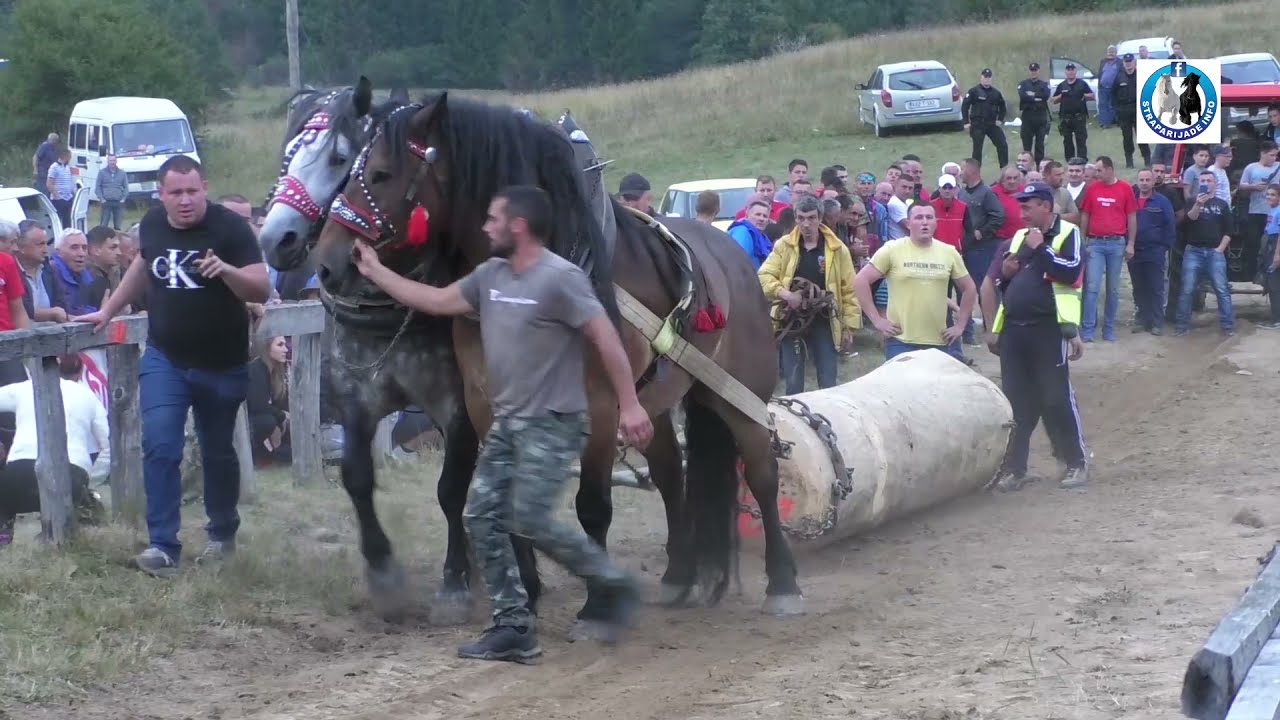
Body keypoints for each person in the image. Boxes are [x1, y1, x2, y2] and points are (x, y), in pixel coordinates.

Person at [350, 184, 651, 663]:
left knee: (527, 517)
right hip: (510, 423)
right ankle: (513, 625)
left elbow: (607, 340)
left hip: (553, 422)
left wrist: (630, 405)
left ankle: (614, 583)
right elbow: (434, 299)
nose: (485, 226)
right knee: (479, 516)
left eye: (493, 218)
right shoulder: (490, 275)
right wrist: (377, 272)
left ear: (519, 226)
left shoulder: (561, 278)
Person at [71, 155, 270, 577]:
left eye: (192, 191)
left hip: (222, 362)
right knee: (161, 445)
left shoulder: (229, 228)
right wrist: (108, 311)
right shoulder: (155, 225)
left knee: (217, 451)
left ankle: (221, 534)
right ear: (160, 194)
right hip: (166, 358)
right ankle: (162, 546)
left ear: (205, 188)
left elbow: (262, 287)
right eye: (175, 193)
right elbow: (143, 263)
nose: (184, 201)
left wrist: (228, 271)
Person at [985, 182, 1088, 492]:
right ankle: (1015, 469)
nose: (1022, 211)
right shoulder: (1017, 238)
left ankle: (1076, 463)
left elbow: (1071, 272)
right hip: (1015, 329)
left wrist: (1041, 246)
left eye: (1027, 205)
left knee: (1056, 398)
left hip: (1048, 328)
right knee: (1016, 402)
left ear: (1046, 205)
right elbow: (998, 281)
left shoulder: (1068, 234)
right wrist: (1006, 272)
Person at [0, 354, 110, 546]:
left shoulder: (25, 388)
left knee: (3, 497)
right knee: (87, 507)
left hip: (18, 474)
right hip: (72, 475)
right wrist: (90, 479)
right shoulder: (88, 396)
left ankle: (3, 537)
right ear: (79, 373)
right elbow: (108, 446)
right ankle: (67, 540)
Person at [758, 195, 859, 392]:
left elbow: (849, 290)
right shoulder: (784, 246)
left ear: (820, 217)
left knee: (828, 381)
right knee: (793, 383)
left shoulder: (837, 249)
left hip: (825, 319)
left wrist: (849, 327)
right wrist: (786, 295)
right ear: (795, 218)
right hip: (793, 321)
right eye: (801, 218)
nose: (806, 224)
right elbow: (763, 276)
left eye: (811, 218)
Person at [853, 203, 975, 361]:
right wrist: (877, 320)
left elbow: (969, 288)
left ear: (935, 222)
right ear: (909, 224)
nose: (925, 222)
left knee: (935, 386)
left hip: (939, 341)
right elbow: (860, 281)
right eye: (918, 217)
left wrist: (960, 326)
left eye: (929, 217)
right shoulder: (892, 249)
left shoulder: (949, 252)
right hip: (900, 340)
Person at [1078, 156, 1137, 342]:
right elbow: (1085, 214)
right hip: (1095, 243)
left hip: (1116, 243)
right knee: (1093, 287)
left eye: (1099, 170)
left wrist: (1131, 243)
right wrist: (1083, 238)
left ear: (1110, 169)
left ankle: (1108, 329)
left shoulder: (1125, 188)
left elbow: (1132, 217)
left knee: (1113, 289)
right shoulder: (1092, 188)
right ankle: (1088, 329)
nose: (1096, 173)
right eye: (1096, 170)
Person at [1174, 170, 1235, 337]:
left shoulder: (1222, 204)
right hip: (1193, 250)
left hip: (1215, 251)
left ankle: (1228, 327)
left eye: (1209, 180)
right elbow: (1189, 220)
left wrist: (1220, 249)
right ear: (1198, 184)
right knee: (1187, 289)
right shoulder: (1191, 201)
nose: (1206, 183)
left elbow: (1229, 231)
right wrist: (1198, 205)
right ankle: (1182, 326)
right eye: (1203, 180)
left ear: (1215, 184)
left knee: (1222, 289)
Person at [1129, 169, 1177, 335]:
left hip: (1155, 250)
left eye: (1147, 179)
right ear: (1137, 181)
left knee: (1156, 287)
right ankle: (1142, 319)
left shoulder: (1162, 201)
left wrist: (1164, 247)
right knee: (1138, 286)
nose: (1144, 183)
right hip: (1134, 250)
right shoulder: (1131, 200)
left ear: (1153, 181)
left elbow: (1170, 225)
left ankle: (1157, 322)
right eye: (1141, 179)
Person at [247, 336, 291, 466]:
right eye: (280, 345)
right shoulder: (256, 369)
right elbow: (257, 405)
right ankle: (263, 453)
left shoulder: (276, 372)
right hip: (248, 423)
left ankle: (273, 452)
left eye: (285, 344)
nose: (286, 349)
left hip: (265, 420)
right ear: (267, 349)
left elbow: (279, 403)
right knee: (268, 421)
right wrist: (282, 416)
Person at [961, 68, 1009, 169]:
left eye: (989, 77)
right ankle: (976, 171)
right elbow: (965, 106)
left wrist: (1000, 119)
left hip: (991, 124)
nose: (987, 79)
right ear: (981, 78)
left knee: (1002, 144)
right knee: (977, 149)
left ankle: (1004, 168)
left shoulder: (996, 93)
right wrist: (966, 123)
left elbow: (1003, 107)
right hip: (977, 124)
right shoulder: (973, 91)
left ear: (991, 79)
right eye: (985, 77)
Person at [1052, 62, 1093, 163]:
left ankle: (1082, 160)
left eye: (1072, 70)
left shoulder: (1082, 84)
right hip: (1066, 118)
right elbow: (1053, 100)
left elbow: (1092, 96)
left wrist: (1084, 95)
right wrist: (1061, 96)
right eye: (1068, 70)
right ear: (1065, 72)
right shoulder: (1062, 85)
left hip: (1079, 117)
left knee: (1081, 140)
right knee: (1067, 141)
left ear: (1075, 71)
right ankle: (1070, 161)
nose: (1070, 72)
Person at [1018, 62, 1052, 165]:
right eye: (1032, 70)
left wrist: (1031, 95)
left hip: (1040, 116)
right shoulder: (1023, 84)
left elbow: (1045, 95)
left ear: (1038, 71)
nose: (1034, 72)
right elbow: (1023, 96)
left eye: (1035, 70)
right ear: (1030, 71)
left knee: (1039, 144)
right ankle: (1025, 166)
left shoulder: (1044, 84)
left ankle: (1039, 166)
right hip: (1027, 116)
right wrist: (1037, 97)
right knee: (1026, 144)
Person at [727, 200, 773, 270]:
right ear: (747, 215)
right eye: (758, 214)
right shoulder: (742, 231)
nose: (761, 219)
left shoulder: (762, 237)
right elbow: (737, 262)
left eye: (765, 216)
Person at [1259, 186, 1280, 330]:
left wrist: (1277, 255)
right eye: (1267, 194)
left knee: (1274, 286)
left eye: (1272, 195)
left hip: (1274, 247)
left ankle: (1276, 320)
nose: (1269, 197)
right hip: (1269, 246)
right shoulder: (1272, 210)